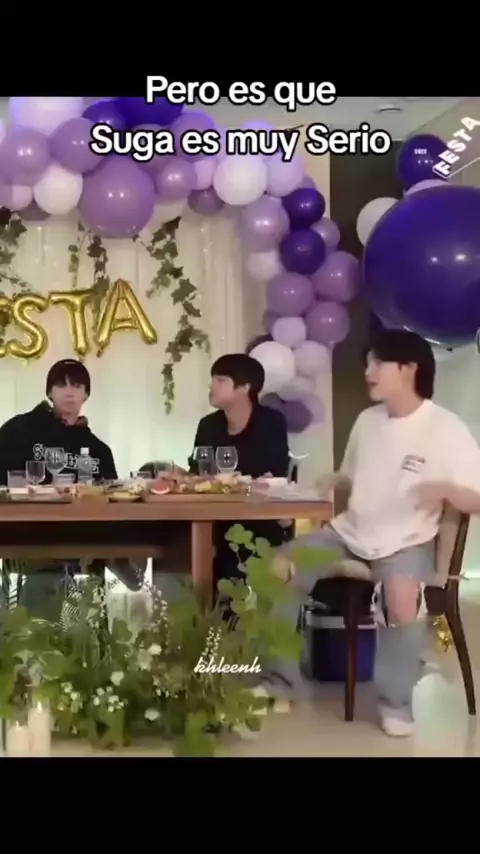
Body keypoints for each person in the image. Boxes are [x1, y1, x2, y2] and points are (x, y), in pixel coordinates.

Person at [271, 329, 480, 737]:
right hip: (346, 536)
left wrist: (446, 489)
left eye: (377, 363)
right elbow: (352, 475)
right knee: (279, 567)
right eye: (368, 363)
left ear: (408, 369)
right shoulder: (367, 421)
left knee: (401, 598)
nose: (368, 371)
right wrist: (333, 480)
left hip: (406, 543)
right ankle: (279, 682)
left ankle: (395, 702)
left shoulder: (446, 427)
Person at [0, 359, 141, 617]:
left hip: (83, 530)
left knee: (110, 539)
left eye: (76, 386)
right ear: (49, 392)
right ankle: (37, 630)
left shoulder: (97, 449)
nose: (69, 392)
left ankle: (118, 557)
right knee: (53, 561)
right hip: (30, 529)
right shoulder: (19, 430)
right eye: (61, 385)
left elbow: (110, 493)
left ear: (86, 394)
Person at [190, 353, 291, 582]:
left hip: (257, 516)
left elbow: (273, 475)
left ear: (245, 387)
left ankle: (233, 599)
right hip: (212, 516)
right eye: (213, 379)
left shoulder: (271, 422)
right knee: (181, 542)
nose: (211, 386)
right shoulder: (208, 425)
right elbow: (199, 474)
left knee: (239, 547)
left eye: (220, 380)